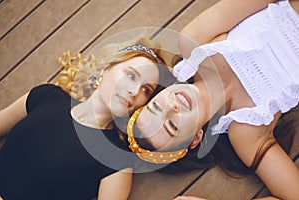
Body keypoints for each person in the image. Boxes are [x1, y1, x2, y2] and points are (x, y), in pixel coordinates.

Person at [125, 0, 299, 199]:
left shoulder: (194, 41)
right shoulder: (245, 132)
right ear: (195, 139)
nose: (172, 106)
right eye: (172, 125)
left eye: (156, 106)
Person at [0, 36, 177, 200]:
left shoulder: (116, 159)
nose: (134, 91)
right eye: (130, 76)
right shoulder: (46, 95)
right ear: (105, 70)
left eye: (146, 90)